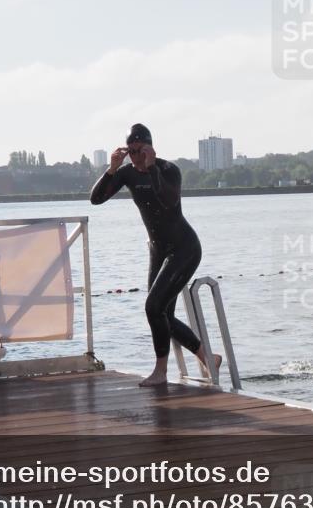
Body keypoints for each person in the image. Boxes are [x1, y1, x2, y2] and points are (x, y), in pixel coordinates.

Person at [90, 123, 220, 387]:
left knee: (153, 307)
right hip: (158, 251)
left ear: (149, 148)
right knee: (160, 313)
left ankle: (160, 372)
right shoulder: (126, 173)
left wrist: (150, 168)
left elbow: (169, 200)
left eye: (140, 151)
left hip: (184, 248)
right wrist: (112, 169)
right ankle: (207, 356)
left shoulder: (168, 170)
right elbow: (96, 199)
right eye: (131, 152)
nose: (135, 157)